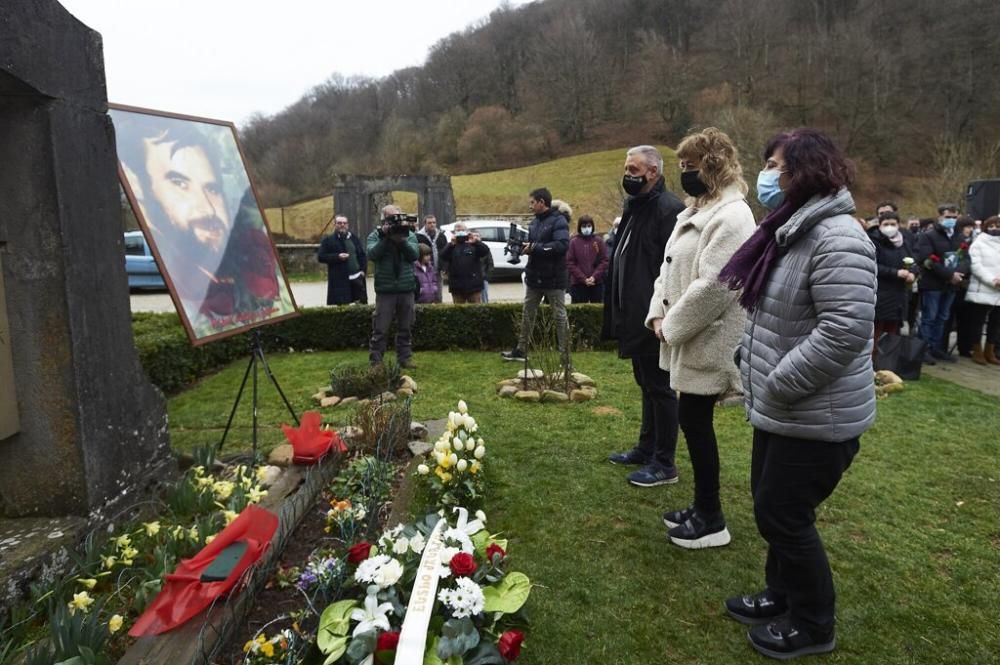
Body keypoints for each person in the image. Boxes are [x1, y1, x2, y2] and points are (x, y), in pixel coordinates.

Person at [718, 128, 876, 661]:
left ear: (808, 171)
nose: (769, 175)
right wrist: (750, 360)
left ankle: (813, 623)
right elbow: (774, 312)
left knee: (783, 514)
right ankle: (780, 595)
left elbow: (845, 328)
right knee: (772, 508)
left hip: (813, 413)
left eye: (777, 166)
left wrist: (780, 380)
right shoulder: (790, 228)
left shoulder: (837, 237)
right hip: (785, 409)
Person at [645, 128, 755, 548]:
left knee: (695, 422)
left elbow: (717, 285)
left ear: (712, 166)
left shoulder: (733, 216)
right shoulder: (698, 209)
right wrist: (658, 312)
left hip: (708, 337)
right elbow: (668, 269)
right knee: (693, 421)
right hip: (688, 333)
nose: (684, 174)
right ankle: (702, 506)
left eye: (689, 167)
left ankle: (711, 517)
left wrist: (671, 328)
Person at [115, 116, 293, 338]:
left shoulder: (229, 262)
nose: (208, 209)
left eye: (212, 189)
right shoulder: (185, 287)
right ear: (138, 186)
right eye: (180, 183)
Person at [604, 146, 685, 488]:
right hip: (635, 314)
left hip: (655, 317)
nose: (628, 175)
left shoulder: (668, 210)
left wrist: (662, 315)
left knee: (661, 388)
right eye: (626, 168)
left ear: (653, 171)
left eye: (633, 169)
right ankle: (646, 446)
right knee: (646, 384)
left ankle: (664, 462)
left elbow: (673, 270)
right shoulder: (634, 206)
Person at [501, 188, 571, 368]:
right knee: (527, 315)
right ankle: (521, 350)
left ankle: (565, 358)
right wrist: (524, 248)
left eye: (532, 202)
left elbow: (561, 246)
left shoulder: (559, 221)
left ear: (542, 202)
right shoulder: (533, 224)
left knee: (560, 317)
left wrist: (535, 247)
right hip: (534, 276)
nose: (530, 206)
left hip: (554, 278)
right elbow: (534, 247)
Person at [916, 204, 969, 364]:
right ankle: (922, 349)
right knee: (929, 317)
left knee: (942, 318)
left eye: (954, 217)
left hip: (951, 285)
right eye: (948, 217)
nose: (951, 220)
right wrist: (949, 275)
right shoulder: (929, 236)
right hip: (933, 284)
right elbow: (927, 259)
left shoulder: (959, 237)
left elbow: (966, 259)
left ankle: (935, 348)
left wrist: (959, 273)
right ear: (940, 217)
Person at [367, 205, 419, 368]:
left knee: (406, 326)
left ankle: (405, 358)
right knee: (380, 328)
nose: (395, 222)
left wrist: (401, 242)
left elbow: (414, 256)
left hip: (406, 288)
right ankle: (376, 360)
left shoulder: (409, 235)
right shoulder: (375, 236)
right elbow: (372, 255)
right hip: (386, 290)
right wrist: (386, 239)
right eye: (391, 218)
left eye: (397, 217)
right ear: (384, 220)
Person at [868, 211, 916, 360]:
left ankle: (887, 362)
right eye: (886, 224)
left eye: (893, 224)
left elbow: (913, 261)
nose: (890, 227)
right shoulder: (874, 242)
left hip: (898, 295)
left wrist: (913, 273)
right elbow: (873, 265)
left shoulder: (904, 243)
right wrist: (895, 273)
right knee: (876, 331)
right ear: (880, 225)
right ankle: (871, 361)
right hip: (880, 293)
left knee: (892, 332)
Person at [966, 215, 1000, 365]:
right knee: (977, 321)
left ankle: (990, 350)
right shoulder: (978, 243)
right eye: (991, 226)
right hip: (983, 287)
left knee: (996, 322)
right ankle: (977, 349)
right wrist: (992, 280)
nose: (995, 229)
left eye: (998, 226)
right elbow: (976, 266)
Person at [318, 215, 367, 305]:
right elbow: (321, 257)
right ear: (335, 225)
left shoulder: (354, 238)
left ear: (347, 225)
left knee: (360, 305)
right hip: (340, 279)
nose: (342, 225)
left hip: (357, 277)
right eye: (339, 223)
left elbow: (362, 255)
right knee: (343, 307)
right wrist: (337, 257)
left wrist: (363, 271)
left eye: (344, 223)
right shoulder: (328, 240)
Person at [440, 222, 490, 303]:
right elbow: (443, 256)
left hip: (474, 285)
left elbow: (485, 251)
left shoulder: (473, 244)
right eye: (458, 231)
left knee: (475, 311)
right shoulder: (452, 246)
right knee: (458, 311)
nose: (460, 233)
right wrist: (451, 244)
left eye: (462, 230)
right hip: (457, 286)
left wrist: (476, 242)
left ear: (467, 231)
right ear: (454, 232)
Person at [566, 215, 609, 303]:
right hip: (578, 284)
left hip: (596, 283)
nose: (587, 228)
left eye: (589, 226)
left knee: (597, 311)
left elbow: (604, 261)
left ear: (592, 227)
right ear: (580, 227)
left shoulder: (598, 241)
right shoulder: (574, 242)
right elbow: (570, 263)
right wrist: (583, 279)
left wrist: (594, 277)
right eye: (584, 226)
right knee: (578, 311)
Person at [416, 215, 448, 302]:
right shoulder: (418, 237)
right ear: (424, 224)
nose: (432, 225)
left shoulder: (441, 236)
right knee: (424, 295)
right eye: (429, 223)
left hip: (438, 270)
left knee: (438, 296)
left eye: (434, 222)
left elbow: (445, 253)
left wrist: (444, 267)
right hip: (423, 270)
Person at [476, 231, 494, 302]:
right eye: (474, 236)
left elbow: (490, 263)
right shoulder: (469, 248)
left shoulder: (485, 249)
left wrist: (487, 277)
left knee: (484, 298)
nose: (476, 238)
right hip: (472, 279)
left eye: (477, 236)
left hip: (483, 277)